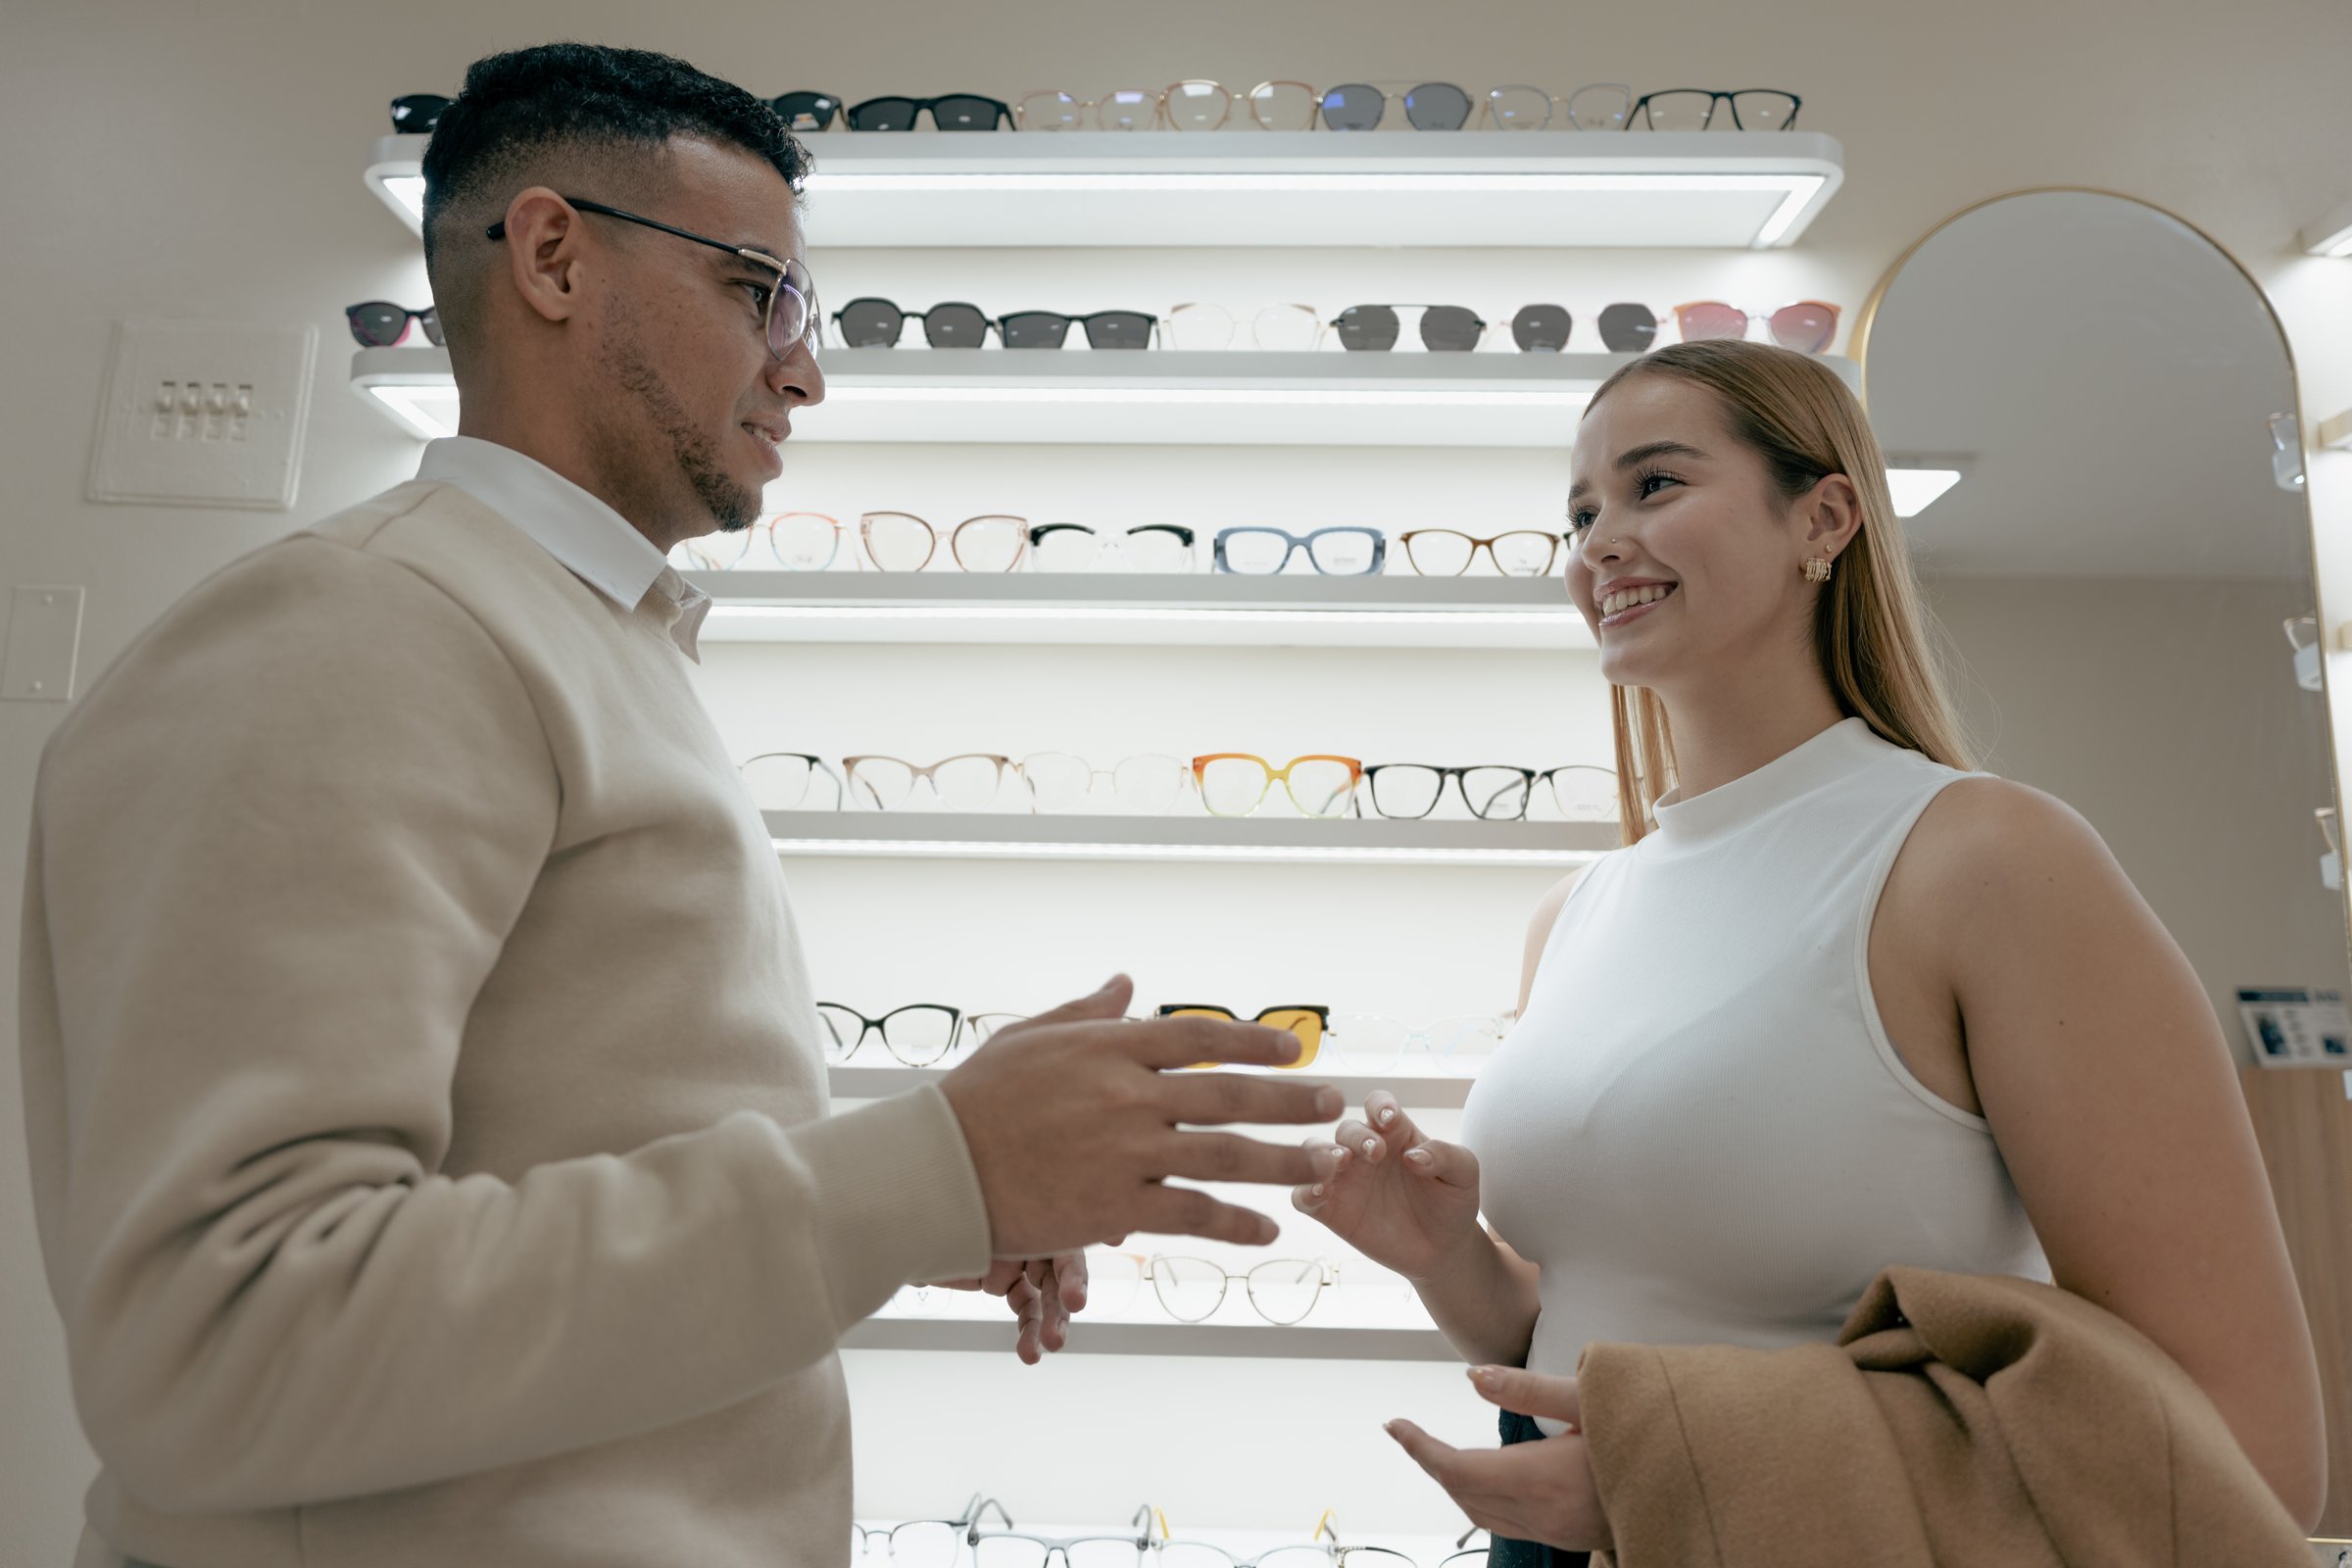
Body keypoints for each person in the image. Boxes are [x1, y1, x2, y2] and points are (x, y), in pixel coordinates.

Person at [18, 42, 1344, 1568]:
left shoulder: (565, 638)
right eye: (755, 289)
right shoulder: (359, 631)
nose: (805, 366)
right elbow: (224, 1343)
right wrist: (930, 1172)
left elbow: (573, 1145)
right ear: (555, 254)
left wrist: (934, 1174)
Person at [1293, 339, 2329, 1556]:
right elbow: (1587, 1321)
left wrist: (1680, 1474)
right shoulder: (1576, 912)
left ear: (1824, 518)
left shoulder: (1985, 859)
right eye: (1579, 513)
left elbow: (2250, 1452)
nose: (1599, 542)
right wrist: (1443, 1258)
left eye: (1654, 485)